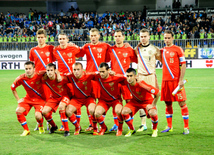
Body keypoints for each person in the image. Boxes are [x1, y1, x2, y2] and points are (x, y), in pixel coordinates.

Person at [76, 28, 111, 131]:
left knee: (102, 100)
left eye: (95, 35)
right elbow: (78, 54)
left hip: (102, 78)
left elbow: (109, 58)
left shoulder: (105, 46)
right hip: (90, 78)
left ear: (99, 36)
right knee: (90, 100)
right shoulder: (86, 46)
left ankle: (101, 122)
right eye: (91, 36)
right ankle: (92, 124)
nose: (93, 37)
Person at [107, 29, 137, 131]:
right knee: (115, 102)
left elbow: (137, 60)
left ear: (123, 37)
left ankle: (130, 123)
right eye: (115, 36)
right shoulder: (111, 49)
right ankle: (116, 124)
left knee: (129, 102)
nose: (117, 38)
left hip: (126, 80)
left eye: (119, 36)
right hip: (114, 80)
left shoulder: (128, 49)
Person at [160, 30, 189, 134]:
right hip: (165, 81)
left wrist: (181, 79)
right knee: (167, 104)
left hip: (176, 82)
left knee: (182, 103)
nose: (167, 40)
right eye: (165, 38)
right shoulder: (161, 51)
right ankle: (169, 126)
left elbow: (184, 64)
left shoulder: (178, 49)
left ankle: (186, 127)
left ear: (173, 38)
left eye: (169, 38)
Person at [118, 68, 160, 137]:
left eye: (131, 76)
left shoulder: (142, 84)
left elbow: (158, 93)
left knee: (152, 113)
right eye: (127, 76)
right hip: (135, 101)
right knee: (124, 112)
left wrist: (153, 104)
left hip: (147, 101)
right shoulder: (126, 82)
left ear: (135, 76)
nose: (129, 78)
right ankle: (132, 129)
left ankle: (154, 129)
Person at [53, 31, 81, 131]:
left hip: (73, 79)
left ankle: (78, 124)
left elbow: (81, 52)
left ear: (67, 40)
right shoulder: (55, 50)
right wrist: (57, 73)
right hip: (62, 80)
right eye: (60, 39)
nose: (62, 41)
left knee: (76, 100)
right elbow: (53, 64)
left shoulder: (73, 48)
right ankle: (63, 123)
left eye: (63, 39)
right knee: (63, 102)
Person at [134, 28, 161, 132]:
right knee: (140, 100)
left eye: (145, 36)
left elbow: (161, 60)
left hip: (150, 76)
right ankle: (143, 124)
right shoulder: (137, 49)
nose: (143, 38)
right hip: (140, 76)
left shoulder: (154, 49)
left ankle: (154, 125)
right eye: (141, 36)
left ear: (149, 37)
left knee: (153, 99)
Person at [29, 28, 55, 131]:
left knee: (48, 100)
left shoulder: (50, 48)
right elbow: (31, 65)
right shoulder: (33, 50)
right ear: (36, 38)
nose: (40, 39)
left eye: (42, 37)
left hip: (48, 79)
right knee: (38, 101)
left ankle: (49, 122)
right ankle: (39, 123)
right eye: (38, 37)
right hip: (37, 80)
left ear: (45, 38)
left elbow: (54, 62)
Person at [11, 61, 46, 136]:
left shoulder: (39, 75)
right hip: (28, 98)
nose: (28, 70)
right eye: (26, 69)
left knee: (38, 115)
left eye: (30, 68)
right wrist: (18, 100)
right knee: (18, 111)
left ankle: (40, 126)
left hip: (40, 99)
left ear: (34, 69)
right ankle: (26, 130)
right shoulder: (21, 78)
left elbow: (51, 71)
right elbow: (12, 88)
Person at [93, 62, 126, 135]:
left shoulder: (115, 77)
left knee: (118, 111)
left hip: (116, 100)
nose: (101, 74)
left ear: (108, 70)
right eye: (100, 71)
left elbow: (126, 77)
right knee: (97, 113)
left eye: (103, 71)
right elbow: (88, 74)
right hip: (103, 100)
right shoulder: (97, 76)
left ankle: (120, 128)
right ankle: (103, 127)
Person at [65, 62, 97, 136]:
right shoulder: (70, 76)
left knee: (92, 110)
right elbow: (60, 76)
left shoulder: (89, 75)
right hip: (77, 99)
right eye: (74, 70)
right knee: (68, 111)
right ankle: (77, 127)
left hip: (88, 98)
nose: (76, 71)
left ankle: (95, 128)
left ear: (83, 70)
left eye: (78, 69)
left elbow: (100, 75)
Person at [41, 63, 70, 134]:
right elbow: (37, 74)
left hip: (64, 96)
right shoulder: (45, 79)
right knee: (44, 112)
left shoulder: (62, 78)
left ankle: (66, 130)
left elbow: (73, 81)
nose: (49, 72)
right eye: (48, 70)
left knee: (61, 106)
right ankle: (54, 126)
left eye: (51, 70)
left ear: (55, 71)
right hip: (54, 98)